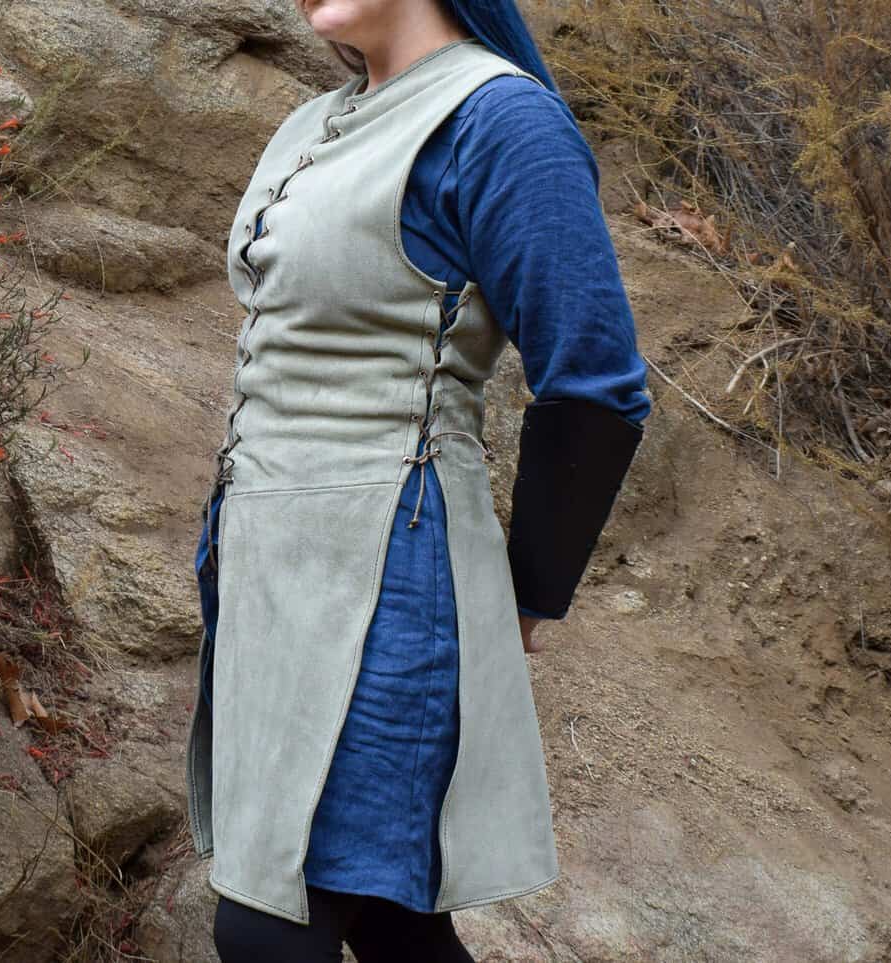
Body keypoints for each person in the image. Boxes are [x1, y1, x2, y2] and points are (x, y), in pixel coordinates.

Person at [185, 1, 652, 959]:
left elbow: (597, 384)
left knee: (269, 929)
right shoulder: (316, 122)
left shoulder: (500, 120)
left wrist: (526, 594)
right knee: (390, 922)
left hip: (387, 577)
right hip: (270, 573)